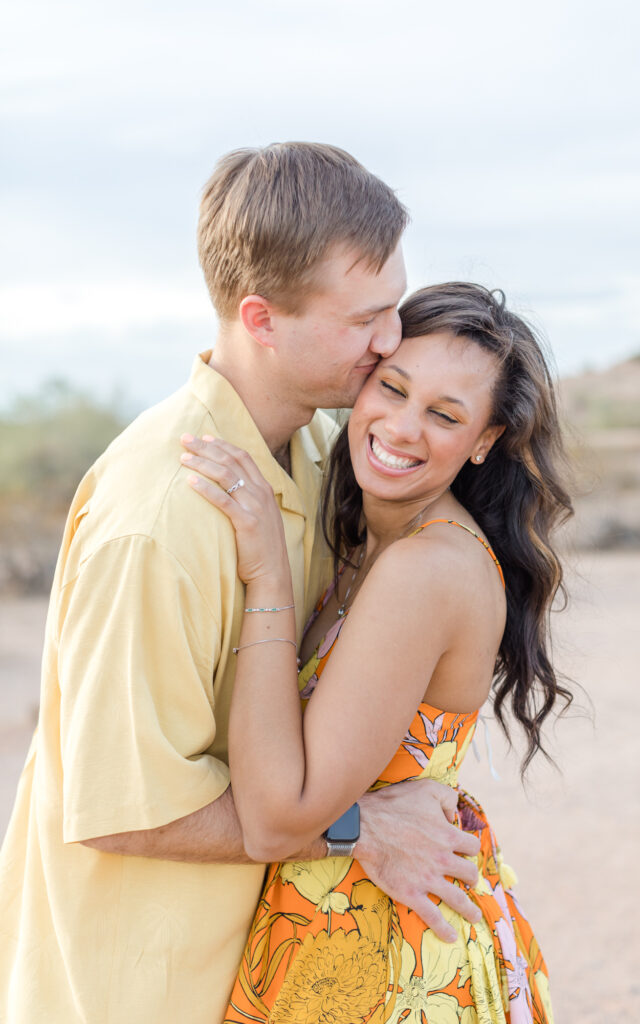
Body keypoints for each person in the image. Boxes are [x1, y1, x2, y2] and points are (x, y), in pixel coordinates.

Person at [0, 145, 484, 1024]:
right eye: (365, 319)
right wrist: (358, 826)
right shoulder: (158, 521)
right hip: (138, 989)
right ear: (261, 318)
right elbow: (116, 808)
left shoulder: (311, 451)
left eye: (395, 309)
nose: (390, 341)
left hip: (250, 971)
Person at [180, 281, 573, 1023]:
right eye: (392, 388)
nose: (402, 427)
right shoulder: (376, 539)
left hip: (380, 961)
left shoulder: (425, 569)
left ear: (485, 441)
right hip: (341, 927)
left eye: (446, 415)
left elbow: (277, 817)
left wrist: (264, 572)